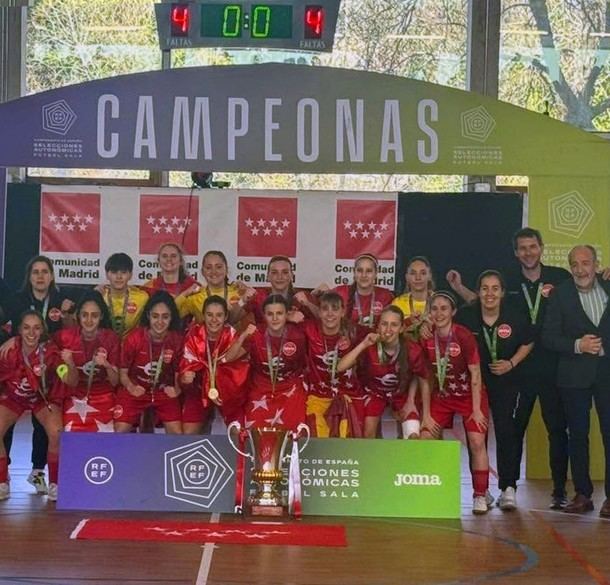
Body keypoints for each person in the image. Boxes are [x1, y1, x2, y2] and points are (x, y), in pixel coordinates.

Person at [447, 227, 570, 509]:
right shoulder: (507, 278)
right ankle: (506, 487)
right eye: (522, 248)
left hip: (552, 366)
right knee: (511, 430)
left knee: (557, 429)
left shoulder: (560, 277)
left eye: (532, 246)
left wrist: (605, 275)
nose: (528, 252)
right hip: (516, 372)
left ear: (541, 248)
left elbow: (584, 287)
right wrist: (457, 289)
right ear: (516, 252)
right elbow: (481, 302)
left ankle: (560, 490)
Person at [456, 270, 534, 510]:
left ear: (502, 292)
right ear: (478, 292)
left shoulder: (514, 315)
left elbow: (528, 341)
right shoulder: (466, 316)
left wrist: (511, 363)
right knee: (476, 436)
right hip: (476, 384)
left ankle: (508, 488)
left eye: (495, 289)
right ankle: (482, 491)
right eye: (485, 288)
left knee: (507, 432)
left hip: (506, 382)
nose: (489, 294)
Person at [542, 245, 610, 517]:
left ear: (596, 264)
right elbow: (548, 337)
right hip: (572, 377)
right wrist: (576, 345)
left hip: (606, 373)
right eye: (575, 264)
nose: (580, 269)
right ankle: (583, 493)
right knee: (577, 437)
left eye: (585, 263)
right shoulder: (560, 295)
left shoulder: (608, 286)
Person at [3, 255, 76, 495]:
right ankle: (3, 477)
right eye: (35, 272)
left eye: (45, 271)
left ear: (52, 275)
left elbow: (69, 329)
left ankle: (40, 474)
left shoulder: (60, 299)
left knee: (49, 428)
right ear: (29, 277)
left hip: (47, 374)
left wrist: (67, 365)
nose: (40, 276)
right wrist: (10, 341)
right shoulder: (17, 301)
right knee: (5, 425)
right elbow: (9, 327)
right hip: (19, 377)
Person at [419, 292, 490, 515]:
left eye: (444, 308)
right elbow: (425, 377)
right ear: (429, 312)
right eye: (435, 308)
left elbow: (476, 373)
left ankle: (480, 494)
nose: (439, 313)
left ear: (453, 312)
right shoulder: (426, 338)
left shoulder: (464, 336)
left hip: (470, 396)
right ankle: (434, 490)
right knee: (425, 436)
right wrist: (426, 414)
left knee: (477, 441)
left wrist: (477, 410)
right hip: (443, 396)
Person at [338, 305, 429, 439]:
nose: (388, 330)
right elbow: (340, 367)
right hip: (374, 394)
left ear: (402, 328)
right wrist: (363, 344)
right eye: (384, 324)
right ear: (378, 327)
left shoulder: (412, 350)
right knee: (368, 432)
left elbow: (423, 378)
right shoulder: (369, 346)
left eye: (394, 325)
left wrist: (414, 404)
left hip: (401, 395)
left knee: (413, 434)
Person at [0, 310, 63, 501]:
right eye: (26, 328)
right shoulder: (7, 350)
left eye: (36, 328)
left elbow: (64, 372)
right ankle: (2, 481)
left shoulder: (50, 351)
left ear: (42, 330)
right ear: (18, 330)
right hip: (14, 398)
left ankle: (55, 483)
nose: (31, 333)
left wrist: (65, 368)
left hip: (42, 400)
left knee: (56, 431)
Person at [224, 294, 307, 430]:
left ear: (287, 315)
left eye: (279, 313)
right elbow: (228, 358)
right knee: (255, 433)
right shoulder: (256, 335)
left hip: (290, 389)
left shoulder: (298, 336)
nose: (275, 318)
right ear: (264, 315)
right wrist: (243, 336)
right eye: (270, 314)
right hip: (261, 389)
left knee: (293, 432)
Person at [115, 291, 183, 434]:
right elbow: (123, 374)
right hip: (136, 388)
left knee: (177, 435)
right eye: (155, 316)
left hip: (162, 391)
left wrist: (177, 389)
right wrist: (131, 387)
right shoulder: (134, 338)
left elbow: (179, 371)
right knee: (120, 431)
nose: (160, 322)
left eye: (165, 317)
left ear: (171, 318)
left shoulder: (176, 340)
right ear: (148, 316)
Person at [179, 295, 249, 434]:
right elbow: (184, 370)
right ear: (203, 315)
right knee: (187, 434)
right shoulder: (193, 336)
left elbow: (239, 372)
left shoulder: (233, 337)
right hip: (198, 392)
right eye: (210, 315)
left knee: (239, 433)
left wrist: (220, 380)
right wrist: (185, 377)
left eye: (219, 315)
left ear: (226, 316)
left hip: (228, 393)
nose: (214, 320)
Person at [53, 291, 120, 432]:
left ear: (101, 316)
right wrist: (70, 364)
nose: (89, 320)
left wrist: (107, 365)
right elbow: (71, 382)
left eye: (94, 315)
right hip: (74, 395)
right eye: (84, 315)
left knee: (105, 442)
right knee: (69, 438)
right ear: (78, 315)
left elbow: (115, 382)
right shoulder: (63, 338)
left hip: (104, 395)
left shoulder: (111, 338)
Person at [302, 291, 365, 438]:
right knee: (318, 438)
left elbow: (380, 333)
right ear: (319, 311)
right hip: (318, 396)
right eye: (325, 308)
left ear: (343, 312)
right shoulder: (309, 329)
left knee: (348, 442)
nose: (330, 314)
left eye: (335, 308)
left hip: (348, 395)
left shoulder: (354, 332)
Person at [237, 255, 319, 325]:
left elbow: (325, 321)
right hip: (265, 343)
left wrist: (308, 304)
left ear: (292, 276)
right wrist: (242, 301)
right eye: (274, 272)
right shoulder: (258, 296)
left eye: (285, 272)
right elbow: (232, 319)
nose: (280, 276)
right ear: (268, 277)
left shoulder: (302, 297)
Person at [175, 250, 242, 324]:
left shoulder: (238, 294)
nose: (214, 271)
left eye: (219, 267)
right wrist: (185, 293)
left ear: (226, 269)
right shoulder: (195, 297)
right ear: (202, 272)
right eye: (208, 268)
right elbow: (170, 313)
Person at [334, 253, 393, 330]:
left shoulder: (385, 296)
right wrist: (316, 294)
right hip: (348, 340)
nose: (364, 275)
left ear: (376, 273)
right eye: (359, 270)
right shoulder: (341, 292)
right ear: (354, 272)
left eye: (368, 271)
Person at [101, 252, 149, 339]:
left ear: (130, 275)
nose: (119, 276)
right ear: (107, 275)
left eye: (123, 272)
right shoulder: (100, 297)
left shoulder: (142, 298)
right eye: (114, 272)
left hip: (132, 348)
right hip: (104, 348)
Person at [392, 256, 434, 339]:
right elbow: (391, 332)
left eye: (423, 273)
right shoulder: (397, 303)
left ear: (429, 276)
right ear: (407, 277)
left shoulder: (439, 301)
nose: (418, 278)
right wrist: (408, 322)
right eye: (413, 273)